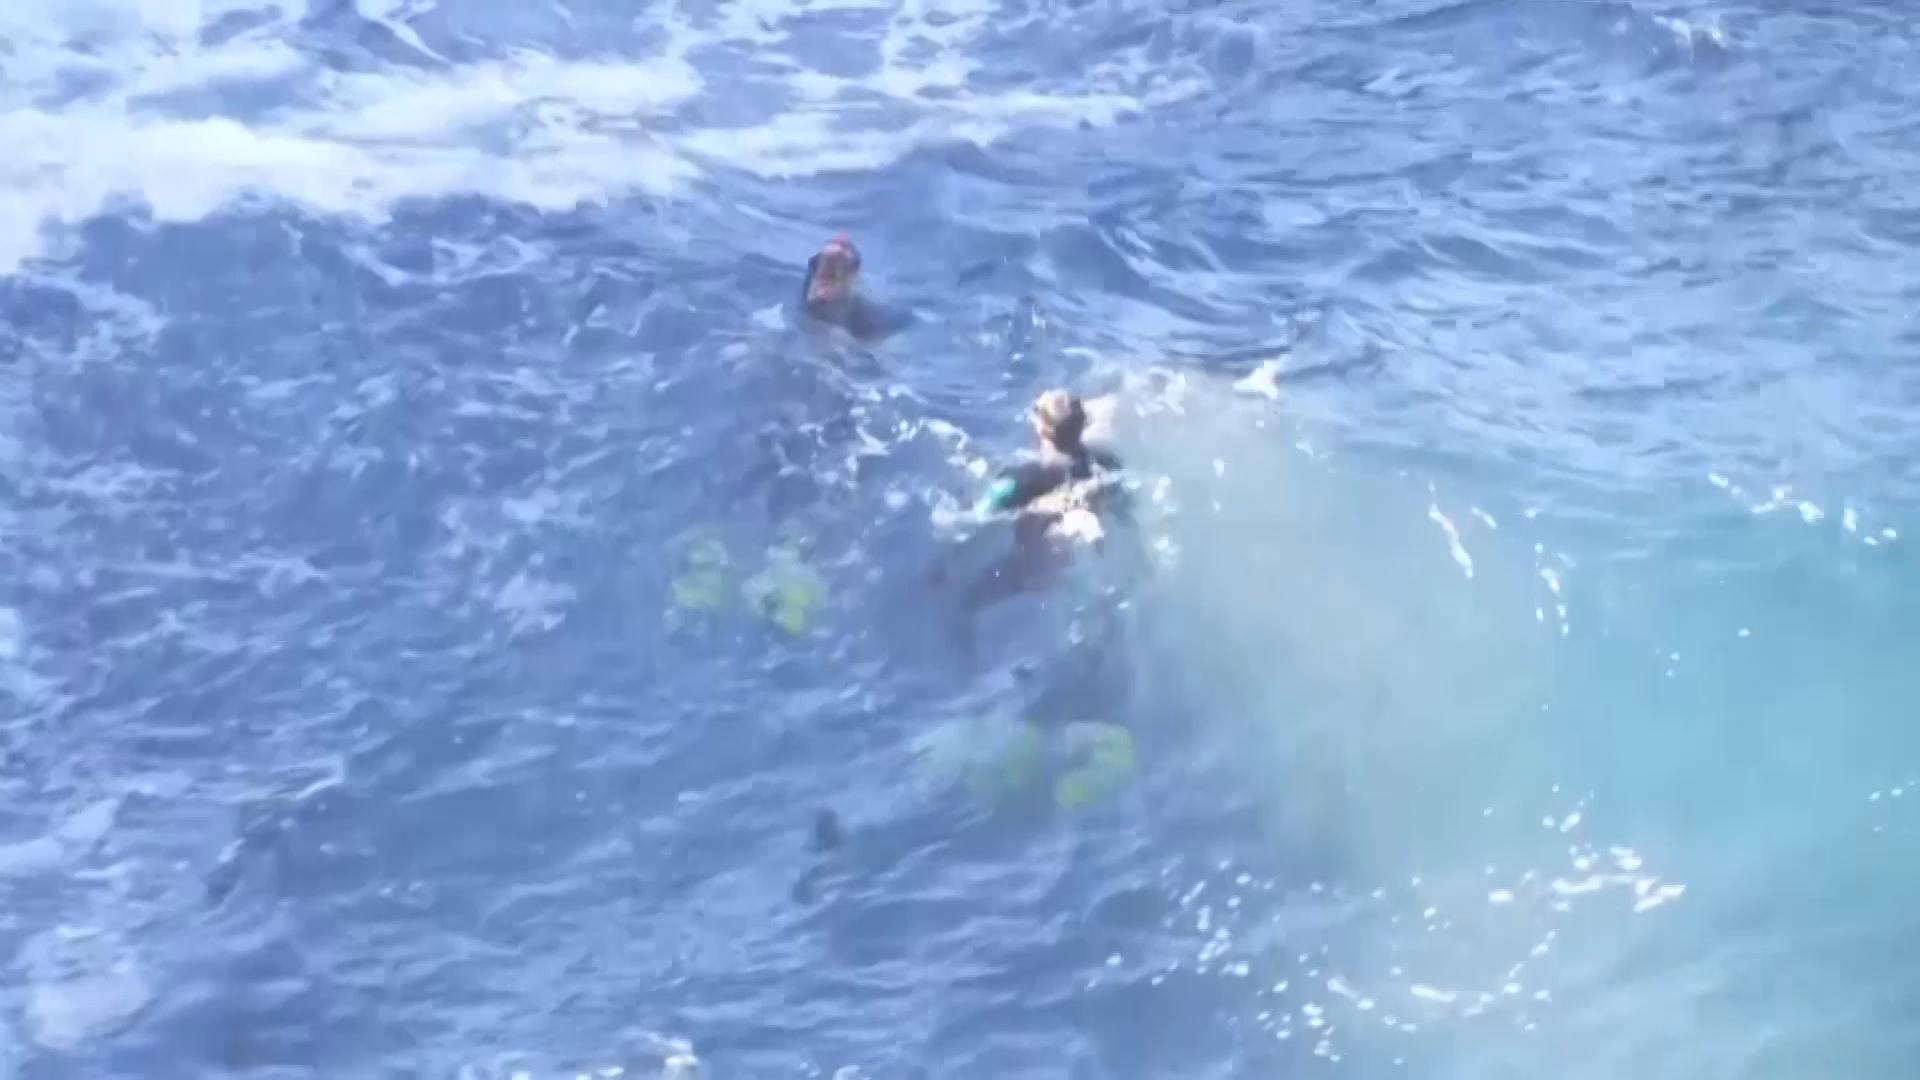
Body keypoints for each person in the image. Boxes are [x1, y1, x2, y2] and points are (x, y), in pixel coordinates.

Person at [798, 231, 905, 343]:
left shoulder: (869, 319)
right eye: (821, 264)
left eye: (838, 266)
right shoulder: (807, 301)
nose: (831, 266)